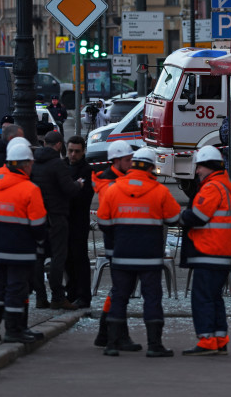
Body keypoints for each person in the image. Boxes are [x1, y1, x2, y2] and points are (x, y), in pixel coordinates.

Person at [97, 148, 180, 358]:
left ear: (133, 164)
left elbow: (103, 222)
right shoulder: (159, 191)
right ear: (152, 167)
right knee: (152, 298)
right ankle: (154, 345)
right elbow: (173, 219)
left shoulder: (114, 189)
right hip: (150, 255)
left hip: (122, 253)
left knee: (119, 297)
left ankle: (112, 344)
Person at [0, 142, 47, 343]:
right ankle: (13, 329)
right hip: (22, 248)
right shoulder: (30, 189)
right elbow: (38, 225)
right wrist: (40, 241)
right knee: (16, 289)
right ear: (25, 164)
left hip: (0, 247)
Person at [180, 146, 231, 356]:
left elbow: (197, 217)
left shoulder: (212, 187)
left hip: (209, 251)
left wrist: (180, 217)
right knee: (214, 297)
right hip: (221, 252)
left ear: (209, 166)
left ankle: (207, 340)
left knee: (202, 297)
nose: (197, 172)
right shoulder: (223, 186)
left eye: (199, 167)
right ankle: (220, 338)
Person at [91, 140, 140, 351]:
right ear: (117, 161)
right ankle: (116, 335)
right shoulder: (111, 184)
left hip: (120, 242)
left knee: (121, 289)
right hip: (118, 243)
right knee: (122, 290)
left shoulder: (114, 179)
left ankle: (105, 333)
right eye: (128, 160)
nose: (131, 164)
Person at [30, 131, 84, 310]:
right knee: (58, 257)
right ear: (60, 145)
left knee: (38, 258)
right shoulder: (57, 164)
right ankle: (58, 297)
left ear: (45, 143)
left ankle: (40, 297)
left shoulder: (34, 164)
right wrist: (79, 184)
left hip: (38, 217)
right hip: (56, 217)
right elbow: (68, 189)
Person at [64, 136, 95, 308]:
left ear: (83, 151)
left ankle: (83, 296)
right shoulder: (62, 166)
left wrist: (69, 191)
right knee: (67, 259)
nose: (73, 155)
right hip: (64, 220)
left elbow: (83, 197)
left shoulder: (87, 170)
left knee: (79, 259)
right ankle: (72, 292)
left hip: (79, 221)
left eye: (77, 151)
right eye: (70, 151)